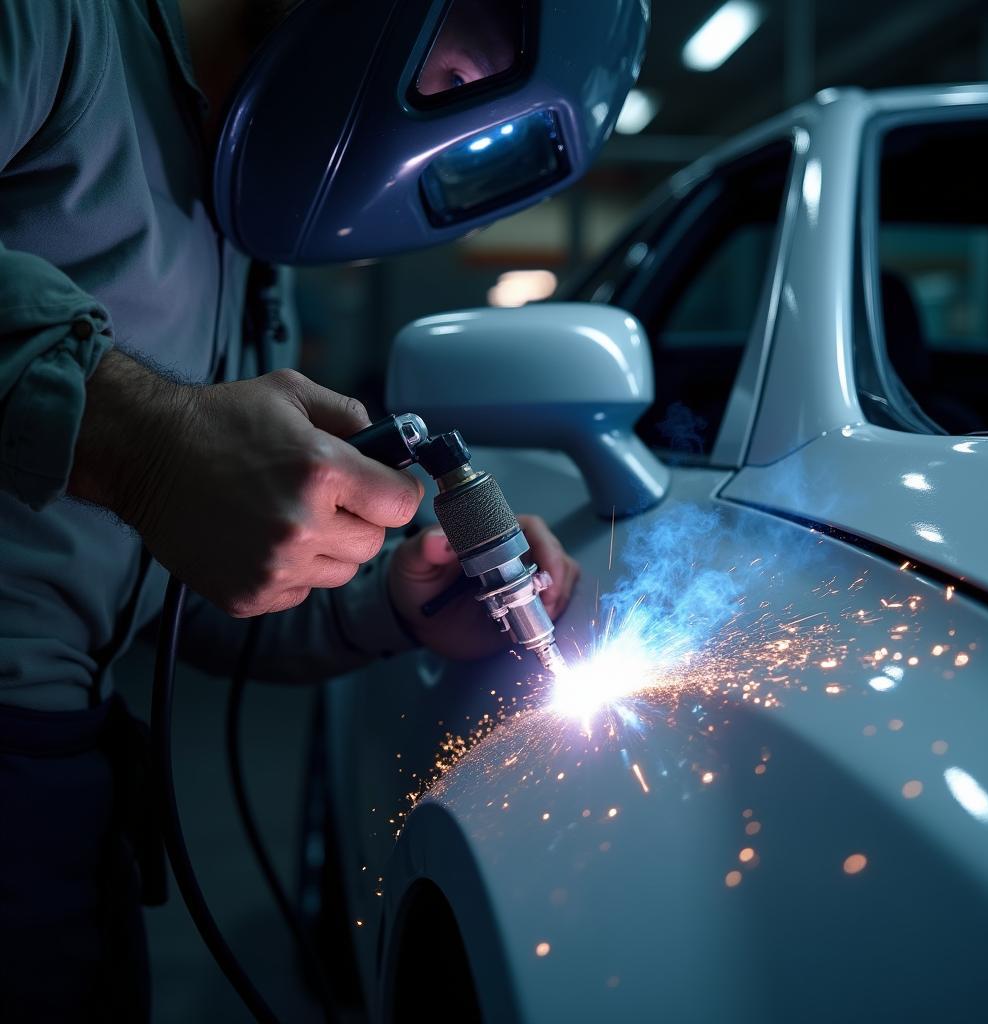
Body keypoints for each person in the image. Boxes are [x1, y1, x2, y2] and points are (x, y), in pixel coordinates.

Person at [0, 0, 579, 1019]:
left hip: (61, 783)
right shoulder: (58, 26)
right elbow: (166, 469)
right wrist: (145, 442)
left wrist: (389, 610)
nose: (443, 131)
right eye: (458, 78)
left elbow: (193, 582)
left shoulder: (247, 203)